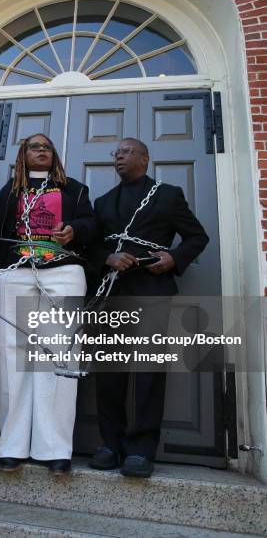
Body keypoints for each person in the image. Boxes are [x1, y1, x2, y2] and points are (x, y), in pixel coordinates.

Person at [89, 137, 209, 478]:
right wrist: (107, 257)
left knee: (148, 373)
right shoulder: (103, 202)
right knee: (109, 372)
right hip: (112, 292)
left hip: (152, 290)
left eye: (126, 152)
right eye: (115, 154)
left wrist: (173, 258)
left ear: (144, 157)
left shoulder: (168, 195)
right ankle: (110, 444)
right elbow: (94, 247)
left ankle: (141, 450)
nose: (118, 158)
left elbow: (197, 237)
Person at [0, 133, 96, 475]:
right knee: (14, 358)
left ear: (55, 155)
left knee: (60, 357)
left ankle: (56, 449)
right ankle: (12, 445)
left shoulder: (75, 189)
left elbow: (93, 224)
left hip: (62, 272)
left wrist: (75, 230)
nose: (41, 151)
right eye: (34, 147)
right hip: (15, 273)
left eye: (47, 147)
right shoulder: (9, 192)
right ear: (23, 155)